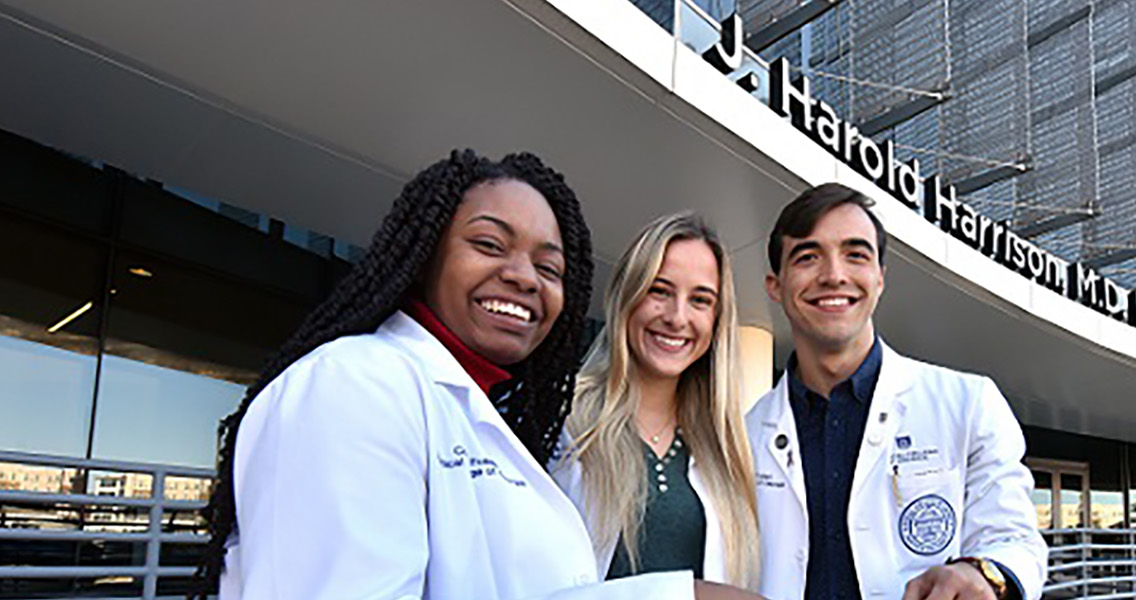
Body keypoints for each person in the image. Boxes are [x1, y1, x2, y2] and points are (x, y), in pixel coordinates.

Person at [196, 150, 692, 599]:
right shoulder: (349, 385)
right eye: (489, 244)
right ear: (424, 255)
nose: (523, 276)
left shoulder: (490, 410)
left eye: (550, 268)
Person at [747, 183, 1048, 600]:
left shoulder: (969, 404)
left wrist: (985, 575)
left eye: (856, 255)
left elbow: (1017, 542)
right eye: (807, 256)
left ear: (880, 278)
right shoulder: (743, 436)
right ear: (775, 286)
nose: (834, 275)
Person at [552, 213, 761, 589]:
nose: (677, 317)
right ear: (627, 295)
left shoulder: (729, 449)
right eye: (659, 290)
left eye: (700, 300)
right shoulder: (563, 422)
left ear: (717, 321)